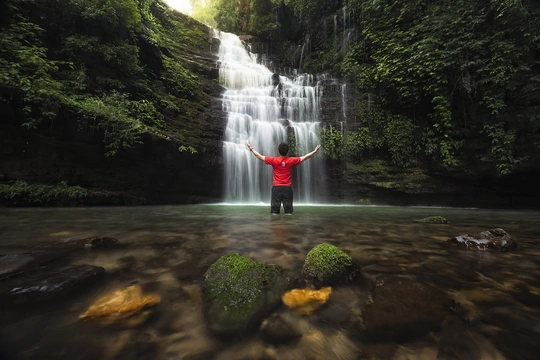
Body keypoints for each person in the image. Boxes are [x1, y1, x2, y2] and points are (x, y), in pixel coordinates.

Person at [246, 141, 321, 215]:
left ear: (278, 151)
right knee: (288, 213)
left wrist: (251, 148)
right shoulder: (291, 160)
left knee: (274, 213)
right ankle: (287, 224)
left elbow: (259, 156)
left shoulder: (274, 160)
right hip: (287, 188)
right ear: (287, 151)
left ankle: (275, 225)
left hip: (276, 188)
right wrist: (314, 151)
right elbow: (305, 157)